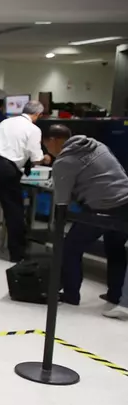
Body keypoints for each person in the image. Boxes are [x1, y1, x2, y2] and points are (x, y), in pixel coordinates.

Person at [41, 125, 128, 311]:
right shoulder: (97, 145)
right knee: (116, 249)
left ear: (53, 140)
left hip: (102, 208)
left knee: (70, 248)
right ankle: (115, 295)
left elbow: (62, 202)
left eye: (46, 145)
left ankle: (71, 295)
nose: (47, 150)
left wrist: (58, 221)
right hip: (126, 202)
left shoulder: (64, 162)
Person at [0, 100, 49, 263]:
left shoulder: (6, 122)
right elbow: (36, 158)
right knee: (13, 212)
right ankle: (16, 254)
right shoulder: (33, 129)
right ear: (37, 115)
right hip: (7, 170)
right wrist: (46, 158)